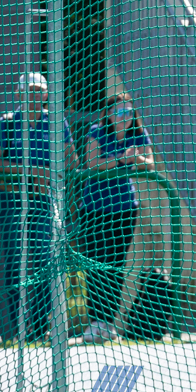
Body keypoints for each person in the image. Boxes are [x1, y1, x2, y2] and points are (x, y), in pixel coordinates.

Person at [0, 72, 76, 344]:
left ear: (46, 94)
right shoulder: (7, 123)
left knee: (46, 260)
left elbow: (71, 159)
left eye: (38, 90)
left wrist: (50, 174)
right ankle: (18, 329)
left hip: (44, 201)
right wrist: (30, 171)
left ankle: (38, 327)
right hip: (12, 201)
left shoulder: (56, 121)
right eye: (28, 89)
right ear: (18, 93)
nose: (33, 95)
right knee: (16, 263)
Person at [77, 92, 154, 342]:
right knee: (96, 264)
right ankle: (95, 322)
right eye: (119, 112)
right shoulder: (96, 132)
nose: (125, 117)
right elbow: (92, 163)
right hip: (95, 208)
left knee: (116, 266)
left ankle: (108, 323)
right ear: (109, 115)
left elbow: (149, 163)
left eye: (128, 112)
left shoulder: (138, 134)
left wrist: (136, 158)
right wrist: (121, 158)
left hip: (124, 208)